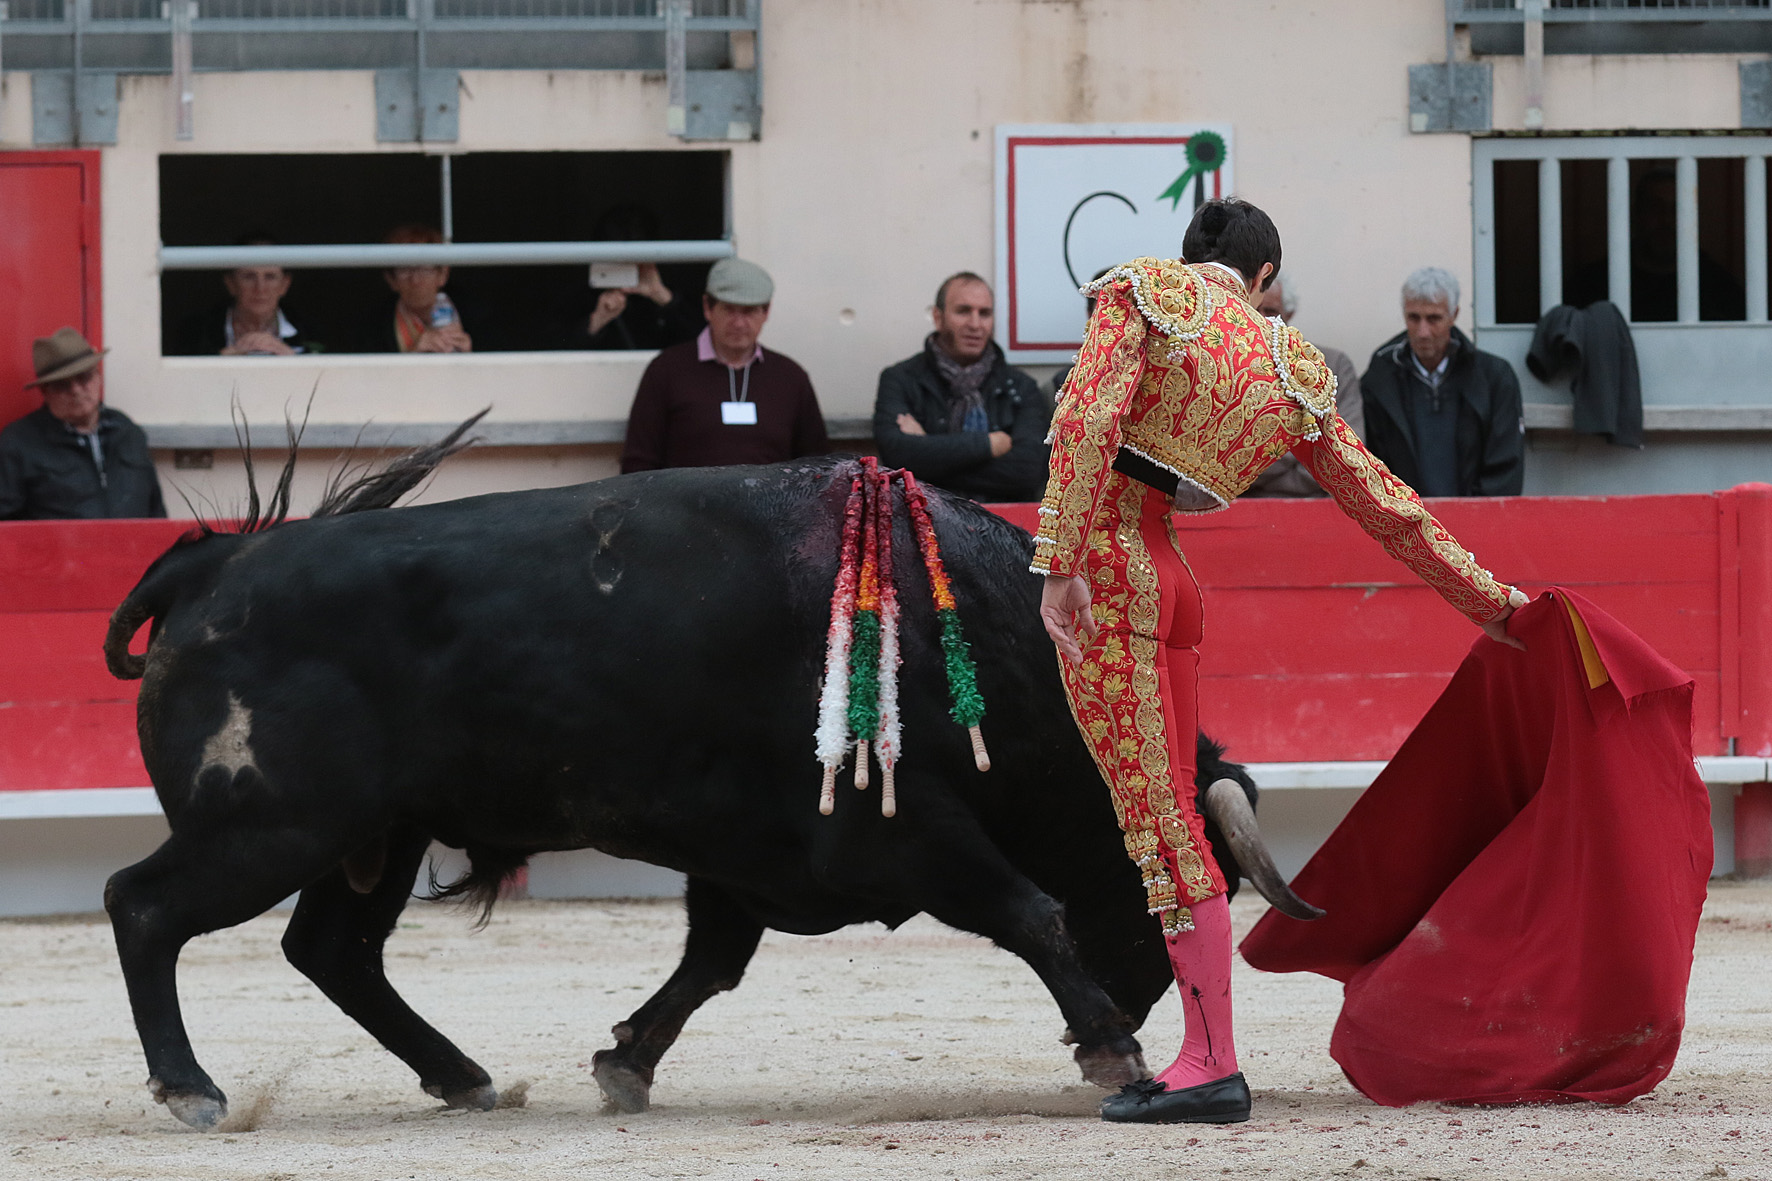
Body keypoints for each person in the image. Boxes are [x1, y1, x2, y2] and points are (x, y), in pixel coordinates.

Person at [1032, 199, 1526, 1125]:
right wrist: (1489, 601)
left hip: (1111, 572)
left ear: (1191, 257)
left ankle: (1209, 1063)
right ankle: (1202, 1053)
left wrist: (1059, 563)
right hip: (1173, 581)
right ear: (1264, 279)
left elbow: (1091, 418)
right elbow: (1384, 501)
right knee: (1174, 815)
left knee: (1163, 827)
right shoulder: (1287, 362)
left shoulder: (1144, 293)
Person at [620, 258, 827, 472]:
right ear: (707, 308)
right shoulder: (666, 370)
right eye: (729, 309)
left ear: (766, 313)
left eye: (749, 311)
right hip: (689, 495)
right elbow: (638, 464)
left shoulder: (790, 378)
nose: (738, 323)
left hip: (773, 495)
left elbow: (817, 467)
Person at [873, 272, 1050, 502]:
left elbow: (1028, 471)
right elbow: (896, 456)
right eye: (963, 311)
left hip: (1003, 521)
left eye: (984, 313)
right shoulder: (900, 379)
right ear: (938, 317)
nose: (975, 324)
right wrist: (989, 444)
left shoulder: (1021, 387)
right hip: (923, 518)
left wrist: (929, 457)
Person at [1360, 268, 1524, 497]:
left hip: (1476, 515)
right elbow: (1371, 464)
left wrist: (1477, 514)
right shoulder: (1380, 378)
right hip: (1402, 516)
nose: (1423, 332)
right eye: (1414, 318)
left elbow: (1505, 469)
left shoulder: (1494, 378)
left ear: (1453, 315)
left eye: (1434, 319)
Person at [0, 328, 166, 520]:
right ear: (45, 392)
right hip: (58, 542)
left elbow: (156, 512)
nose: (76, 390)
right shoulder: (18, 443)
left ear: (98, 377)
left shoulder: (128, 431)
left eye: (84, 377)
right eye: (62, 385)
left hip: (133, 541)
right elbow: (5, 525)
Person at [1242, 274, 1365, 497]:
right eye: (1253, 310)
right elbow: (1220, 455)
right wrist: (1303, 448)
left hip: (1316, 507)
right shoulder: (1228, 370)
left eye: (1270, 311)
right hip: (1241, 507)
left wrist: (1259, 476)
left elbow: (1348, 453)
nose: (1260, 320)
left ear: (1288, 314)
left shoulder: (1333, 365)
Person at [173, 237, 322, 356]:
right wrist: (223, 359)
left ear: (285, 284)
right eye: (249, 277)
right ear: (231, 283)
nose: (260, 288)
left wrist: (290, 358)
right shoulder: (196, 332)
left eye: (270, 277)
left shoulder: (310, 332)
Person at [361, 225, 472, 354]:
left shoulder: (475, 316)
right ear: (391, 279)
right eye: (405, 270)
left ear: (443, 274)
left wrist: (470, 356)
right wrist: (413, 354)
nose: (415, 280)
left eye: (424, 268)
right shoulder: (372, 327)